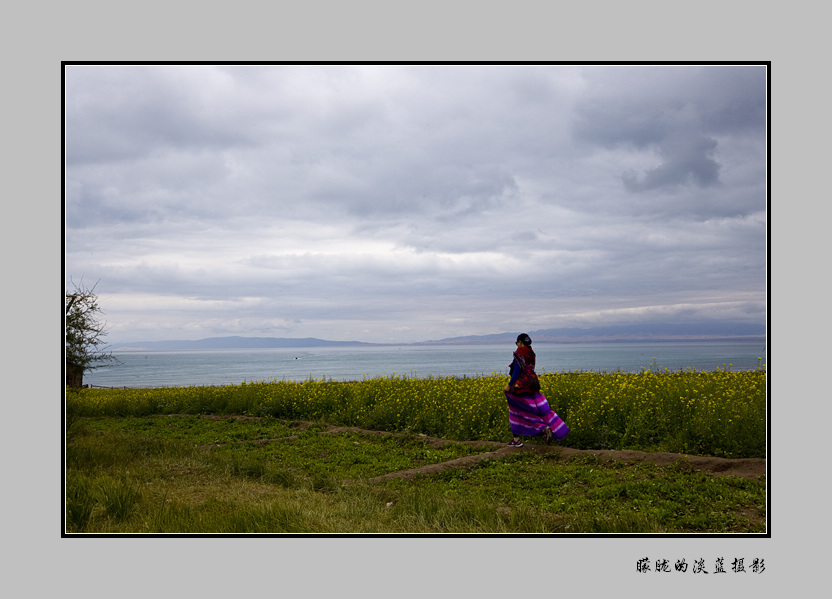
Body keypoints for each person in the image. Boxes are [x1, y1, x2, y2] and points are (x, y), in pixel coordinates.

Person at [503, 333, 569, 447]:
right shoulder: (531, 353)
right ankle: (547, 428)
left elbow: (517, 372)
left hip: (520, 387)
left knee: (516, 411)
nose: (516, 345)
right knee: (538, 410)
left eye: (517, 343)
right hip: (532, 385)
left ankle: (530, 433)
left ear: (520, 342)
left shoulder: (519, 353)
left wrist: (509, 385)